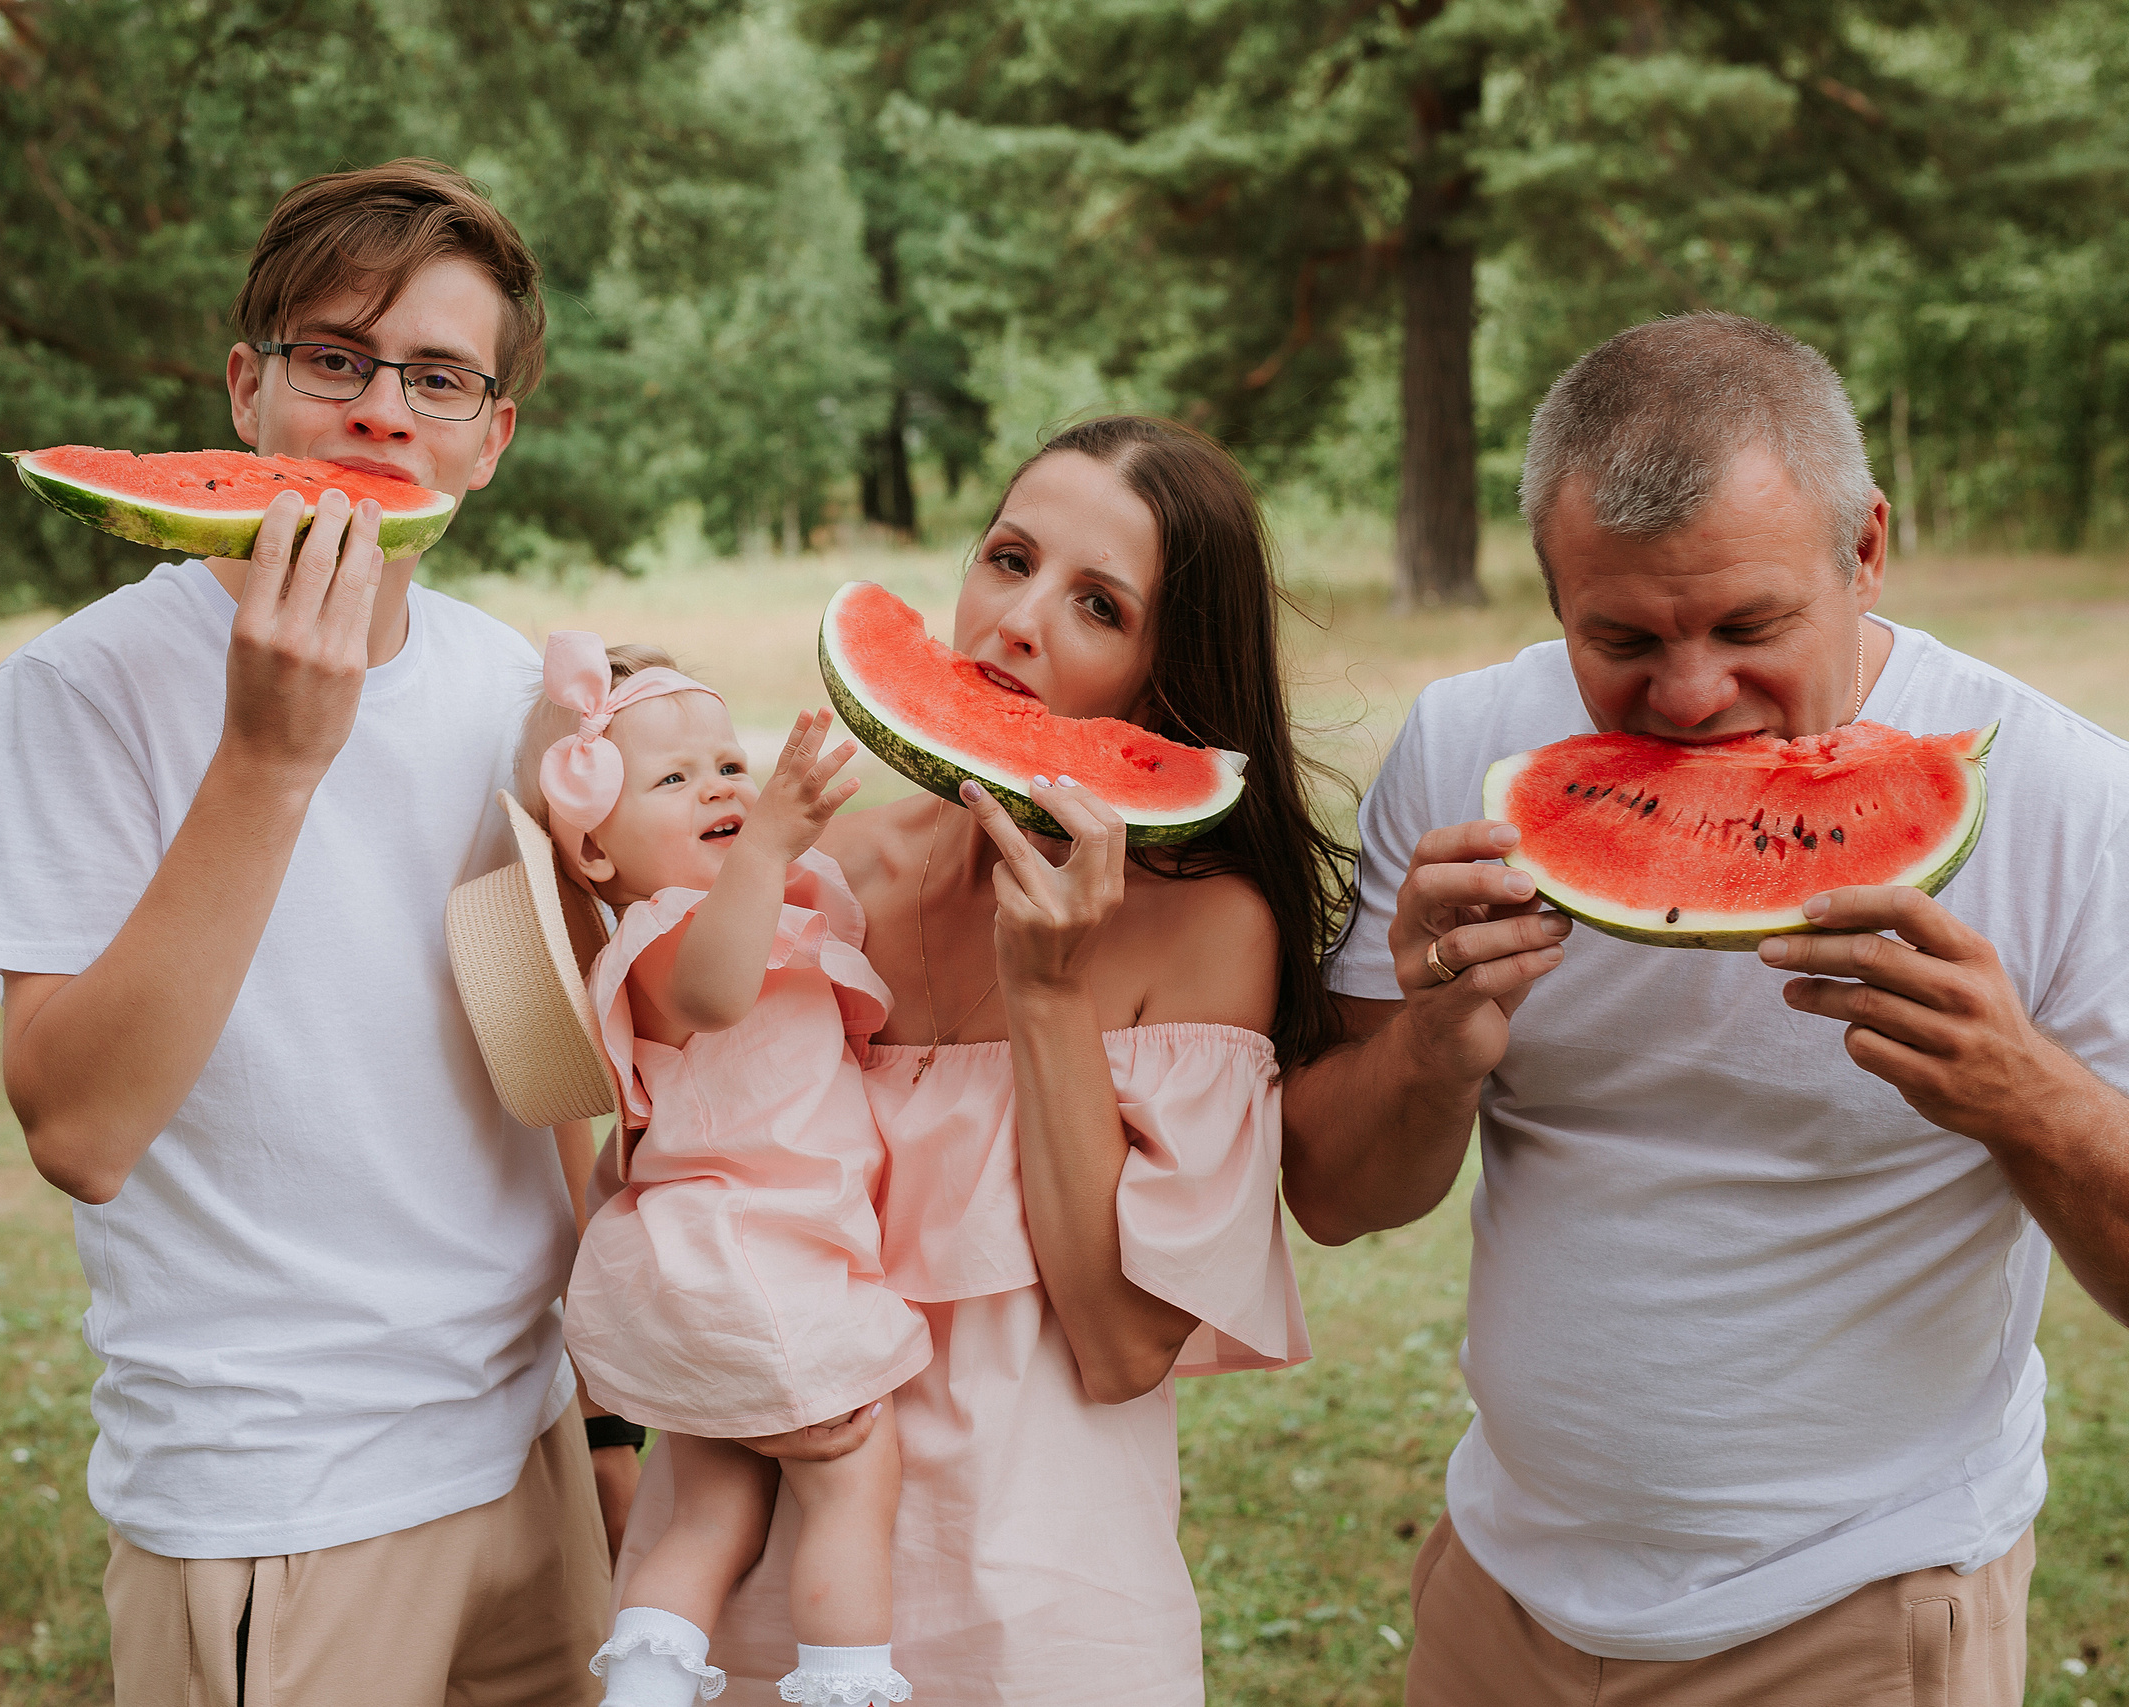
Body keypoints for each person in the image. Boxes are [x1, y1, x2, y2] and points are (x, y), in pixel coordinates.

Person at [1281, 311, 2129, 1704]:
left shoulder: (2071, 800)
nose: (1688, 695)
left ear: (1865, 550)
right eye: (1619, 636)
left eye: (1749, 625)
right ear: (1553, 590)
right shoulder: (1462, 751)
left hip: (1861, 1606)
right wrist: (1436, 1041)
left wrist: (2019, 1089)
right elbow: (1335, 1191)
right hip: (1503, 1588)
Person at [0, 160, 622, 1706]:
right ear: (248, 389)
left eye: (440, 376)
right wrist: (269, 754)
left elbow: (538, 1065)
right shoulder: (83, 689)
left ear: (491, 437)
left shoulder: (500, 680)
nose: (385, 411)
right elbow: (79, 1124)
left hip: (528, 1451)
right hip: (281, 1494)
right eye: (337, 356)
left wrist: (607, 1421)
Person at [604, 415, 1351, 1703]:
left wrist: (1048, 992)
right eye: (1008, 558)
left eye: (1097, 605)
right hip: (761, 1579)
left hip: (1040, 1611)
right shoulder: (827, 880)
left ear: (1162, 683)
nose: (1017, 621)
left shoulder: (1213, 928)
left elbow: (1120, 1346)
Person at [520, 634, 929, 1707]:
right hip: (762, 1270)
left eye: (728, 767)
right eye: (671, 778)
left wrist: (780, 860)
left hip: (706, 1276)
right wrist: (765, 846)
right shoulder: (658, 939)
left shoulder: (763, 909)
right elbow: (717, 992)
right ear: (595, 856)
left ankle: (644, 1692)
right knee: (852, 1477)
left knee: (711, 1511)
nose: (717, 787)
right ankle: (848, 1686)